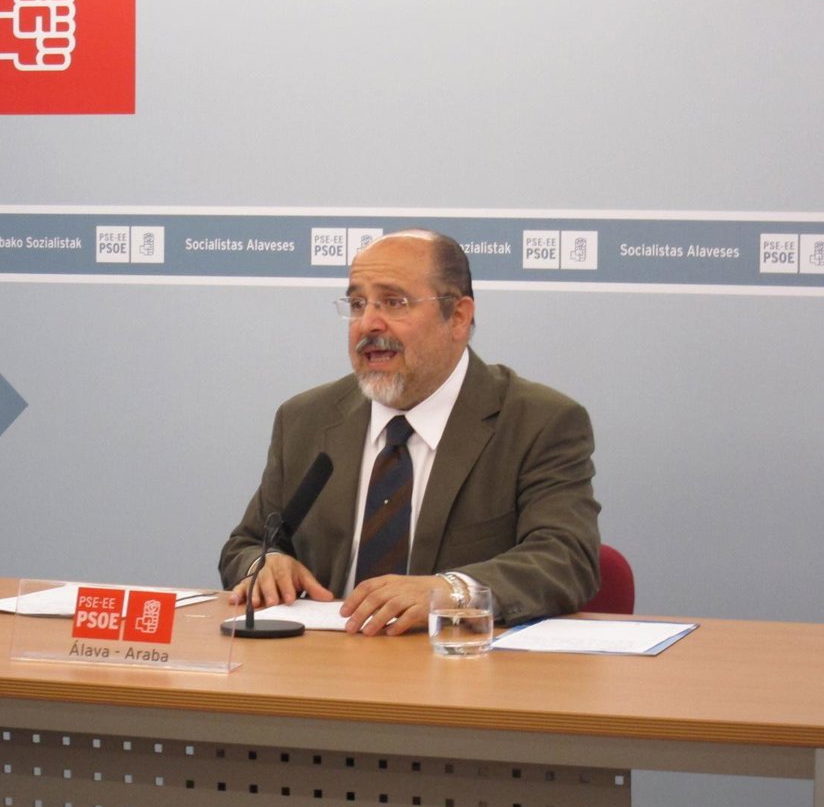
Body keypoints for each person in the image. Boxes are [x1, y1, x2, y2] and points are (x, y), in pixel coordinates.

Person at [218, 229, 601, 635]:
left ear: (458, 316)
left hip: (458, 660)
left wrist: (452, 591)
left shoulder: (537, 422)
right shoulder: (306, 419)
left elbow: (566, 559)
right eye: (357, 304)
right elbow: (246, 545)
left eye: (394, 302)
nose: (368, 324)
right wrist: (265, 565)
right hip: (322, 658)